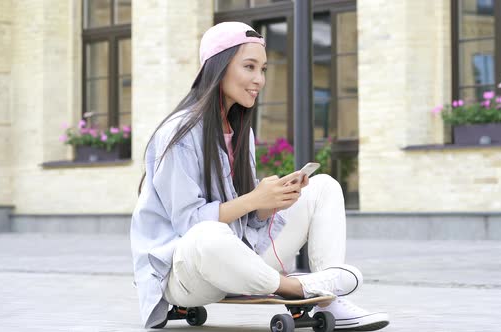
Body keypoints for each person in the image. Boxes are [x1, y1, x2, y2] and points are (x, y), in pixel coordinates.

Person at [130, 21, 389, 330]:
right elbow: (188, 224)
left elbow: (247, 221)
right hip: (187, 273)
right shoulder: (179, 133)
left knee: (323, 187)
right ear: (219, 67)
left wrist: (270, 203)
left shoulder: (241, 132)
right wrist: (254, 198)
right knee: (207, 236)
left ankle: (329, 302)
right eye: (249, 67)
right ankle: (301, 289)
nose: (259, 79)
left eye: (263, 69)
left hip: (241, 263)